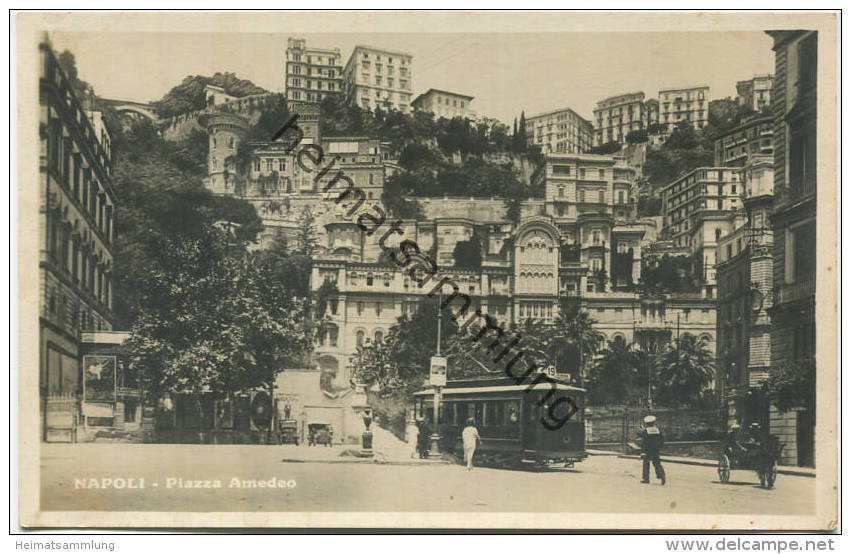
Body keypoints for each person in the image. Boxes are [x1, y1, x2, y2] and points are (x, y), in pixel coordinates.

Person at [639, 415, 666, 485]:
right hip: (656, 449)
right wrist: (660, 446)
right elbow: (662, 439)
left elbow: (644, 442)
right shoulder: (657, 430)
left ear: (646, 423)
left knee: (646, 464)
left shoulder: (645, 431)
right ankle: (661, 475)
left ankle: (646, 479)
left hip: (648, 449)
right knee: (657, 463)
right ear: (653, 422)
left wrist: (643, 451)